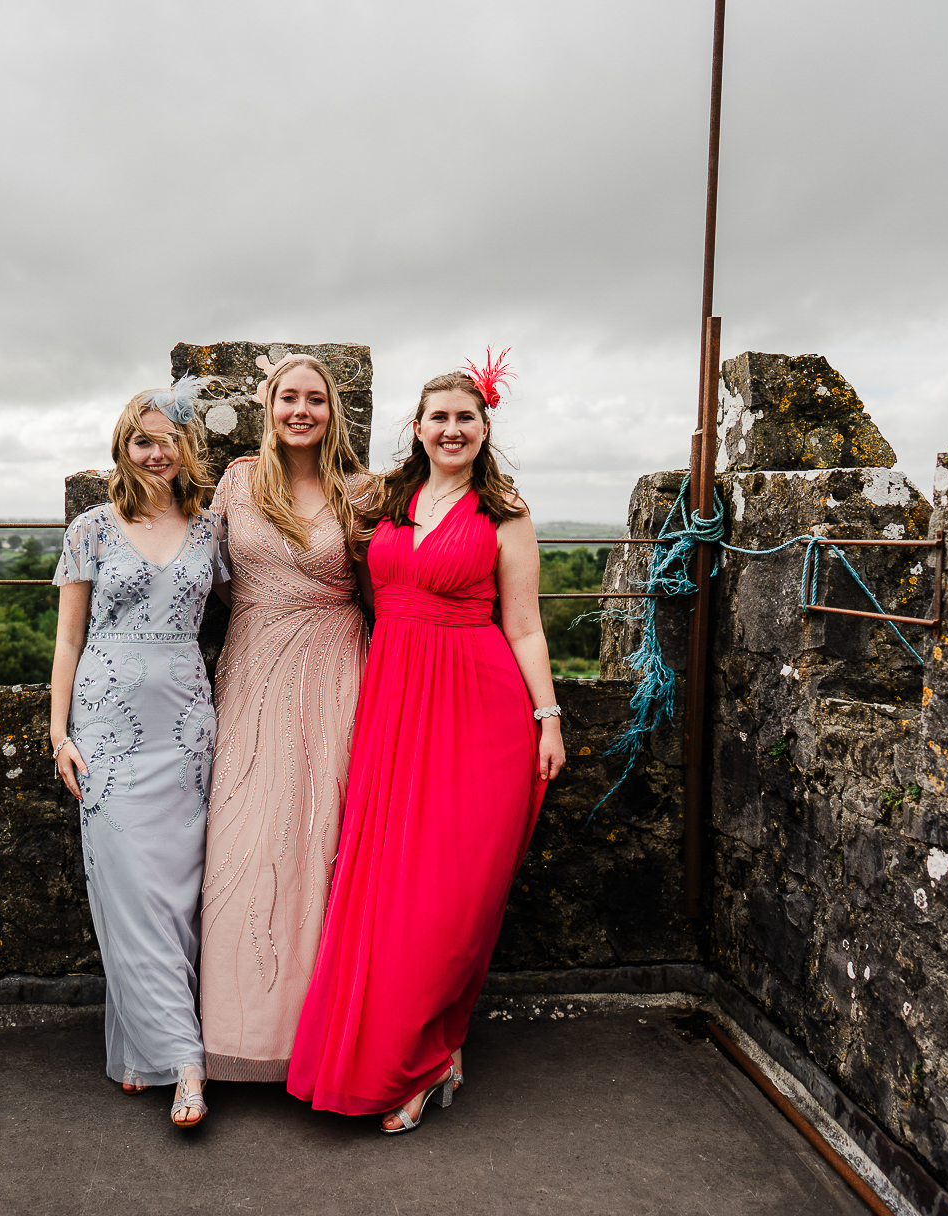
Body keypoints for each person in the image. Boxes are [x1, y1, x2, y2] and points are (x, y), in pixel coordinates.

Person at [286, 356, 566, 1134]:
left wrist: (547, 716)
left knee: (447, 898)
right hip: (393, 704)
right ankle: (411, 1053)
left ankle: (432, 1050)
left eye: (465, 419)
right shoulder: (384, 501)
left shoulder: (506, 517)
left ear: (484, 431)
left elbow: (526, 625)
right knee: (382, 889)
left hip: (479, 709)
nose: (451, 429)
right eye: (438, 417)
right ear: (417, 427)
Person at [50, 378, 226, 1129]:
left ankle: (142, 1049)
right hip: (108, 729)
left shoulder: (212, 528)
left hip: (186, 725)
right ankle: (185, 1063)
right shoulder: (92, 526)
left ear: (189, 449)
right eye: (142, 440)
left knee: (176, 896)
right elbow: (67, 637)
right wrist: (58, 733)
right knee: (128, 891)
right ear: (123, 448)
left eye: (168, 440)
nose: (156, 452)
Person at [200, 355, 374, 1082]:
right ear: (268, 406)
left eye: (316, 400)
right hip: (249, 669)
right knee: (243, 832)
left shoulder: (362, 490)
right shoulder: (239, 480)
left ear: (334, 411)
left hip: (336, 670)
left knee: (325, 836)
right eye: (288, 398)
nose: (301, 411)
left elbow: (386, 584)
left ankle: (328, 1038)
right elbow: (197, 572)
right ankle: (241, 1035)